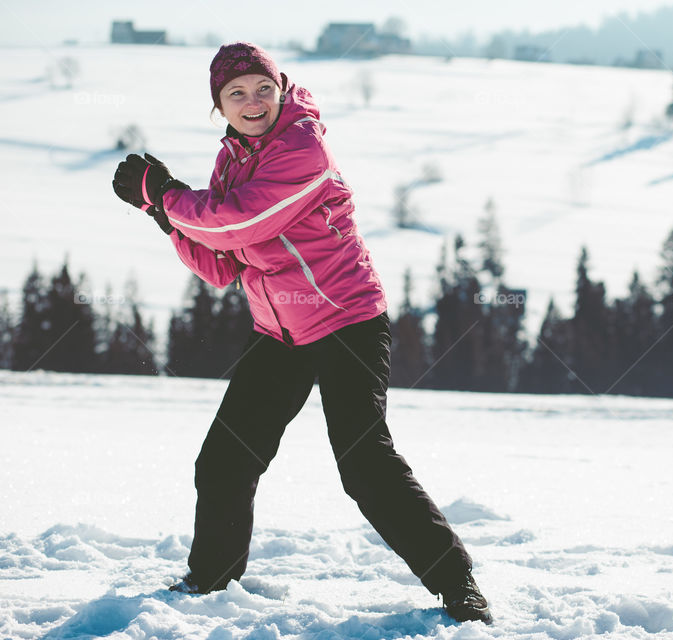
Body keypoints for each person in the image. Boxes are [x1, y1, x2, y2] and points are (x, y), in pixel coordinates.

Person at [111, 42, 491, 624]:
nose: (253, 101)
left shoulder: (302, 146)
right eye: (236, 93)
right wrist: (162, 213)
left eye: (263, 87)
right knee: (224, 462)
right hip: (279, 333)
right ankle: (210, 584)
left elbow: (242, 220)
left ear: (280, 88)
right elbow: (221, 263)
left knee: (365, 465)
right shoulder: (232, 160)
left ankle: (458, 585)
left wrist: (165, 195)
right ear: (219, 106)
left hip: (347, 322)